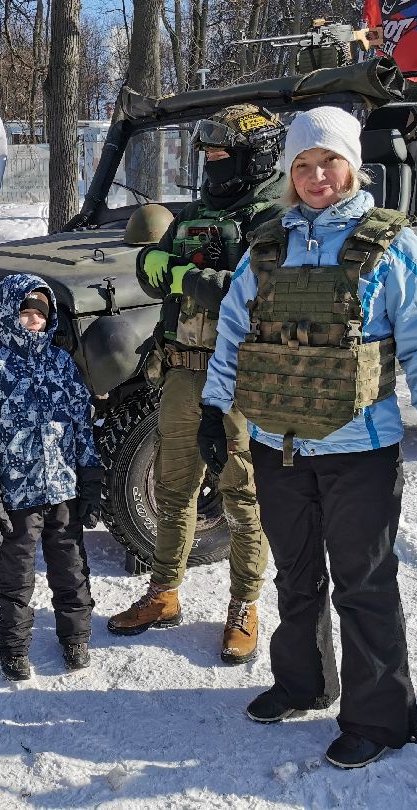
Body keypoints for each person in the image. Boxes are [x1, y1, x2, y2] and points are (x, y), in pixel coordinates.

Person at [199, 106, 417, 768]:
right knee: (295, 576)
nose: (318, 176)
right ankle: (302, 681)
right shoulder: (268, 246)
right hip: (277, 446)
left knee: (364, 582)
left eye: (329, 162)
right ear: (291, 173)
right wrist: (213, 408)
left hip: (360, 452)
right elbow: (233, 333)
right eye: (304, 165)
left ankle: (380, 719)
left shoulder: (391, 246)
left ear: (353, 165)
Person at [107, 104, 287, 665]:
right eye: (205, 154)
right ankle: (164, 592)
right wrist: (158, 262)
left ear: (251, 157)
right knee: (174, 485)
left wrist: (187, 275)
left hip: (238, 375)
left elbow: (253, 293)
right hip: (182, 368)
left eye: (221, 155)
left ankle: (244, 603)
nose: (211, 164)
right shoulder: (199, 213)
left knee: (241, 490)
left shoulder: (275, 218)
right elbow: (155, 269)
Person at [0, 273, 102, 681]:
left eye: (41, 311)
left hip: (63, 489)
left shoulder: (61, 363)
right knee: (15, 573)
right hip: (17, 494)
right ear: (7, 314)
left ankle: (75, 637)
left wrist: (89, 475)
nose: (34, 318)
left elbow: (81, 422)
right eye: (25, 311)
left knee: (71, 567)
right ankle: (13, 645)